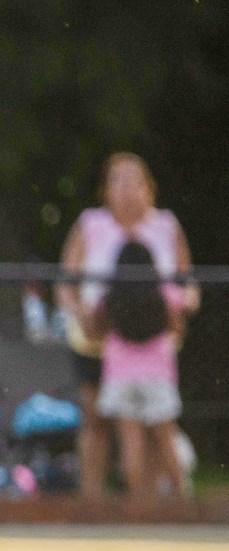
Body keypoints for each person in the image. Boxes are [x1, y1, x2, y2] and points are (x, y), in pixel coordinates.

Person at [57, 153, 199, 498]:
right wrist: (80, 313)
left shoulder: (166, 226)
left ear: (150, 188)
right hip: (98, 340)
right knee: (97, 421)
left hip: (152, 344)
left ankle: (145, 506)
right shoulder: (90, 224)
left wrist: (180, 312)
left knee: (154, 429)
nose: (127, 189)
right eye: (117, 180)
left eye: (135, 180)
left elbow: (188, 283)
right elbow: (65, 283)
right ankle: (92, 501)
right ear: (105, 189)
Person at [97, 240, 189, 498]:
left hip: (120, 374)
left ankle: (136, 508)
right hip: (158, 373)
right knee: (165, 440)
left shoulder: (110, 295)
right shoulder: (164, 291)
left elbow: (97, 327)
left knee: (130, 444)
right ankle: (181, 501)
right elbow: (176, 325)